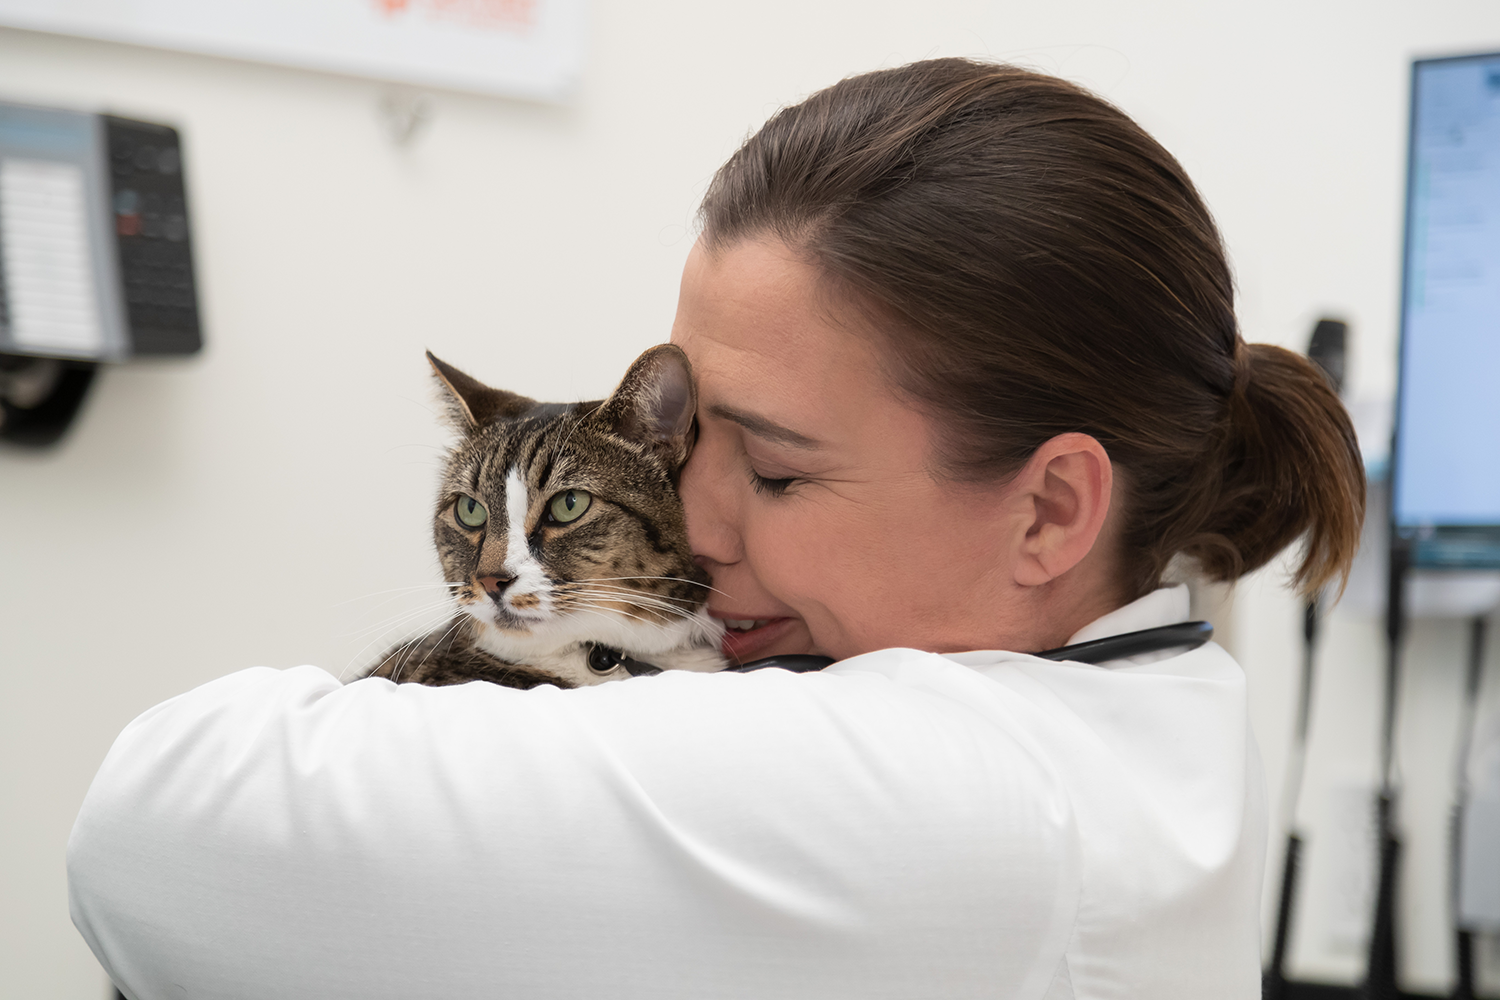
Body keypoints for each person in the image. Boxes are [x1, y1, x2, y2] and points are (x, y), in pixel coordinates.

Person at [67, 59, 1364, 1000]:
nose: (692, 529)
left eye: (780, 475)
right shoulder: (1161, 692)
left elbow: (153, 827)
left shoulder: (941, 802)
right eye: (694, 450)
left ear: (1050, 510)